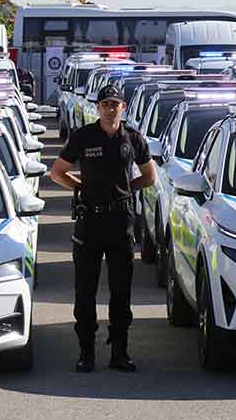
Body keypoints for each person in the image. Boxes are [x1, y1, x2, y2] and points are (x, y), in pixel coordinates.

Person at [49, 84, 157, 373]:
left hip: (121, 221)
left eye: (115, 104)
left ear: (123, 107)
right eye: (105, 104)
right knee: (85, 291)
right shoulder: (84, 137)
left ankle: (119, 352)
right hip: (90, 222)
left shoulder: (132, 139)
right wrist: (81, 188)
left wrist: (125, 190)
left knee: (121, 292)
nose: (110, 109)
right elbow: (57, 172)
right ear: (98, 107)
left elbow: (149, 177)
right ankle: (86, 352)